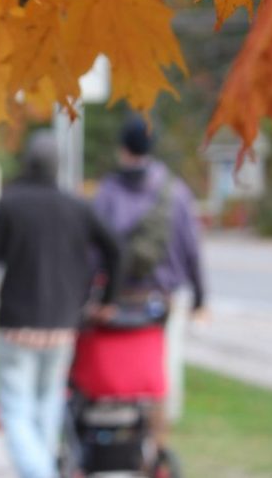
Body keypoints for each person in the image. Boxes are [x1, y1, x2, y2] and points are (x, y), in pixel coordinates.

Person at [0, 130, 122, 478]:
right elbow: (115, 249)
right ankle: (41, 468)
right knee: (45, 406)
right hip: (62, 326)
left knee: (14, 409)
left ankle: (41, 473)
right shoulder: (76, 207)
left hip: (17, 326)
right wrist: (107, 300)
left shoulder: (8, 205)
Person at [92, 115, 207, 455]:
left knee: (112, 365)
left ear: (122, 148)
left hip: (115, 299)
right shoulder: (176, 193)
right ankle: (155, 446)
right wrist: (201, 298)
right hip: (160, 302)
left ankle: (108, 438)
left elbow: (92, 250)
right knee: (157, 375)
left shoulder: (108, 193)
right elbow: (192, 250)